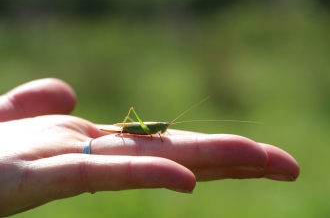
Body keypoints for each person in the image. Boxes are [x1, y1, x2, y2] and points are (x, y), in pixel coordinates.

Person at [0, 78, 300, 217]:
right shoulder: (153, 130)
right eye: (163, 129)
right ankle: (122, 128)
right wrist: (137, 132)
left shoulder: (161, 129)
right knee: (132, 122)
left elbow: (158, 133)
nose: (164, 131)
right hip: (130, 130)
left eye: (163, 129)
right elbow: (149, 132)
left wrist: (155, 134)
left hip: (136, 131)